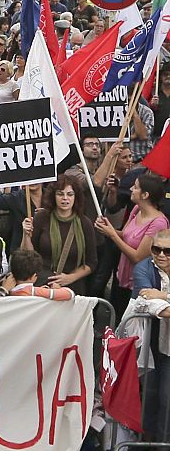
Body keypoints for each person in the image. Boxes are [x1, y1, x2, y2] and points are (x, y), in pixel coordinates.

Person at [96, 173, 170, 317]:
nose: (131, 189)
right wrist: (108, 228)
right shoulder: (136, 209)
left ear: (145, 195)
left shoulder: (158, 223)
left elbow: (138, 257)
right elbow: (125, 235)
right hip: (121, 276)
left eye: (135, 187)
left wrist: (111, 234)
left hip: (137, 284)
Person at [21, 175, 97, 295]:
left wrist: (71, 277)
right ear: (53, 196)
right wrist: (26, 235)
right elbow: (28, 255)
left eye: (70, 194)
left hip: (72, 287)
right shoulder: (42, 217)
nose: (65, 198)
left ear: (76, 197)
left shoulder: (85, 223)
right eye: (60, 194)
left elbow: (91, 262)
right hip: (44, 284)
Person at [131, 230, 170, 442]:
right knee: (150, 394)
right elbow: (152, 304)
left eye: (167, 251)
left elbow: (160, 301)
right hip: (151, 344)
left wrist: (164, 295)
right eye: (156, 249)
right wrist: (161, 301)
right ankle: (145, 442)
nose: (161, 255)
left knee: (166, 398)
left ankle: (162, 443)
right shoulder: (143, 269)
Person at [6, 249, 75, 300]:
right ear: (34, 276)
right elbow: (70, 294)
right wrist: (56, 289)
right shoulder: (34, 292)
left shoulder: (7, 290)